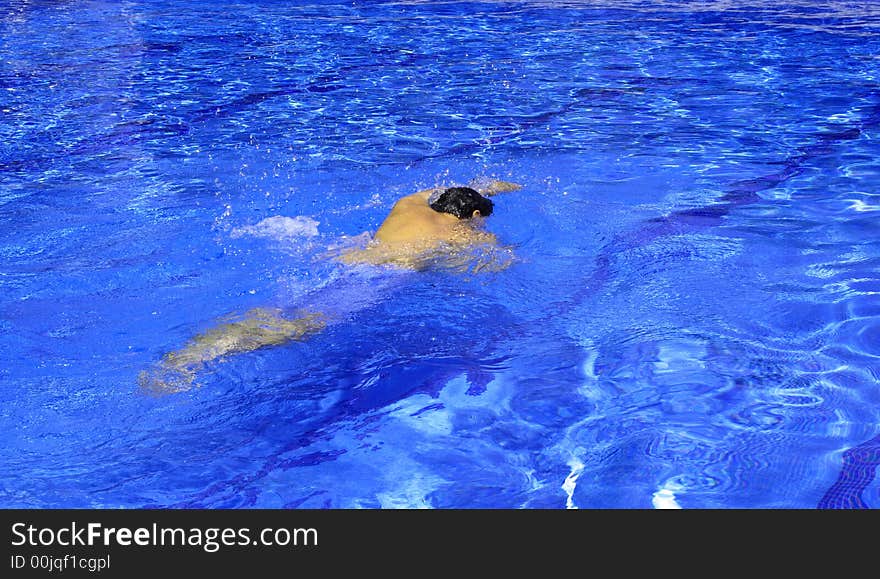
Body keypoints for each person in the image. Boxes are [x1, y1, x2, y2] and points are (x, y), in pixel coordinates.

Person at [139, 178, 521, 394]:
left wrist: (488, 187)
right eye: (479, 220)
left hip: (344, 259)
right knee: (296, 326)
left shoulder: (409, 206)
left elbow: (441, 187)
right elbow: (496, 265)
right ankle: (187, 360)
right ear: (471, 215)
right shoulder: (463, 235)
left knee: (284, 313)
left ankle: (199, 350)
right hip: (374, 280)